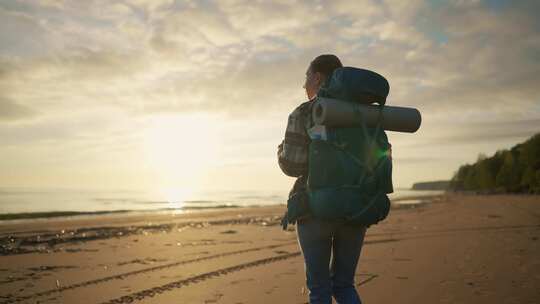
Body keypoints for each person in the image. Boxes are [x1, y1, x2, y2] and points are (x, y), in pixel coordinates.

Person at [277, 54, 367, 304]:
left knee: (319, 289)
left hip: (315, 206)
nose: (304, 84)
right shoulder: (361, 114)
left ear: (317, 77)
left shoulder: (304, 112)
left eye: (306, 77)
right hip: (356, 206)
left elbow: (293, 166)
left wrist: (280, 150)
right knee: (345, 285)